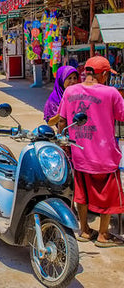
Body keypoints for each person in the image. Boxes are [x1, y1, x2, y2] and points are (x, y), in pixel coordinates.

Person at [57, 55, 124, 247]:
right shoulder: (111, 93)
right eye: (107, 75)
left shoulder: (70, 91)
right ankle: (103, 235)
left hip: (79, 154)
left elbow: (62, 121)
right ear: (103, 74)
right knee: (107, 197)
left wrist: (65, 146)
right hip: (105, 157)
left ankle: (84, 230)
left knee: (82, 195)